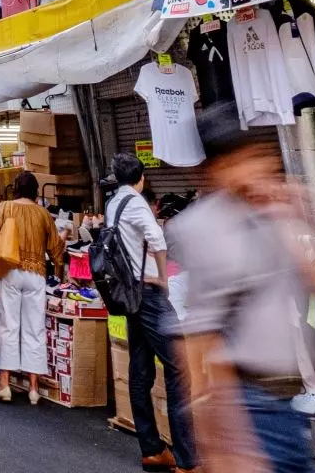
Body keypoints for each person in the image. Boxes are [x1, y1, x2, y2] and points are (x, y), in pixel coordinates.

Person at [173, 104, 315, 473]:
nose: (261, 167)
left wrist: (293, 218)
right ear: (218, 169)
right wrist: (219, 442)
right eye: (248, 159)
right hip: (251, 408)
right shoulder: (203, 228)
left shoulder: (274, 213)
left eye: (262, 157)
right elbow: (198, 341)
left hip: (296, 398)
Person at [106, 154, 197, 471]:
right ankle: (187, 458)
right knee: (178, 366)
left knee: (141, 369)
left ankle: (152, 448)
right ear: (141, 177)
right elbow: (157, 239)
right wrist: (162, 277)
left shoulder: (113, 204)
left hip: (129, 293)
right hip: (148, 293)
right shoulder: (135, 203)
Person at [0, 170, 64, 404]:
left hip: (11, 271)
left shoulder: (6, 208)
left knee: (9, 326)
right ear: (35, 191)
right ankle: (33, 388)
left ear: (16, 188)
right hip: (37, 274)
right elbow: (56, 248)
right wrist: (60, 267)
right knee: (34, 329)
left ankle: (4, 384)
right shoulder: (43, 213)